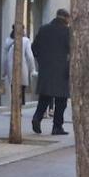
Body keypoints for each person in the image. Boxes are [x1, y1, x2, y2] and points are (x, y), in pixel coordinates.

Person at [31, 8, 72, 136]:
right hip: (62, 70)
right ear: (66, 18)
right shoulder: (68, 32)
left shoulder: (44, 29)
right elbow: (73, 50)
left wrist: (41, 61)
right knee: (61, 101)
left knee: (44, 98)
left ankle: (37, 117)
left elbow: (34, 47)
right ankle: (57, 127)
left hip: (46, 69)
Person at [1, 24, 37, 111]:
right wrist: (32, 69)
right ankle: (18, 109)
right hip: (22, 67)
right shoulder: (25, 41)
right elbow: (29, 56)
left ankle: (14, 108)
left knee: (14, 88)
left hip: (11, 68)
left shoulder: (8, 41)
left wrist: (4, 71)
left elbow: (4, 58)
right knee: (21, 89)